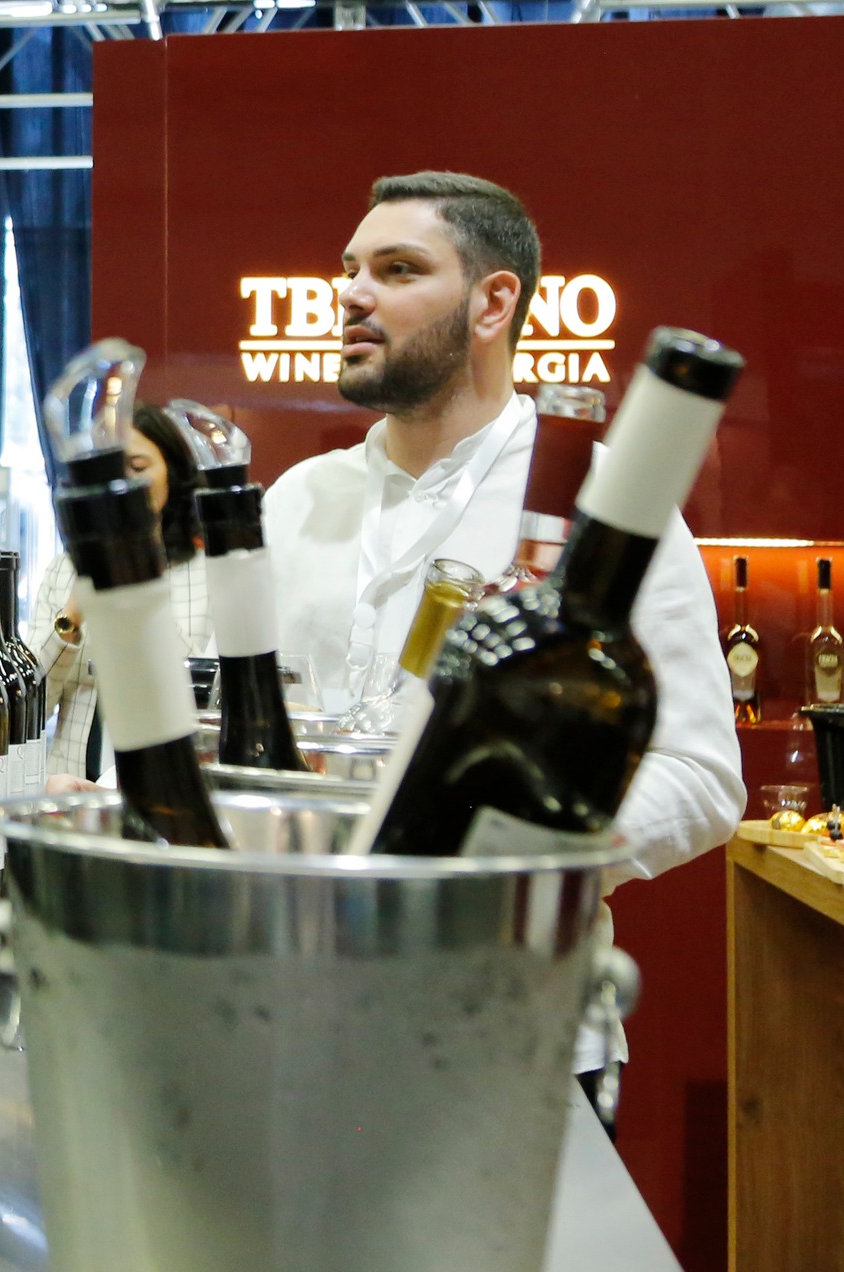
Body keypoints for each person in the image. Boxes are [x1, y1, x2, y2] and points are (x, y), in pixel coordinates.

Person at [261, 171, 744, 1110]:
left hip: (517, 1028)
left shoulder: (609, 509)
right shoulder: (297, 500)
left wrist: (501, 859)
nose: (352, 294)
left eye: (398, 270)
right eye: (349, 268)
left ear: (493, 303)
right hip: (299, 1009)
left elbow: (702, 777)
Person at [32, 403, 210, 782]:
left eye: (138, 467)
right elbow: (30, 705)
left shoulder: (206, 574)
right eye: (111, 470)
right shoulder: (64, 569)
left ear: (173, 474)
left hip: (168, 783)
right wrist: (71, 617)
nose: (123, 483)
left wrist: (135, 573)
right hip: (70, 789)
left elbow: (204, 700)